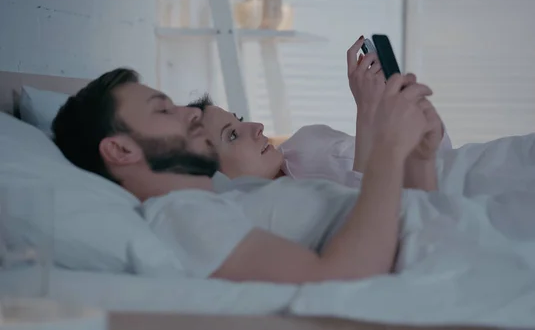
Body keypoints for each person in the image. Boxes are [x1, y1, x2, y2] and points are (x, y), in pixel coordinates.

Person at [51, 66, 440, 283]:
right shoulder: (181, 215)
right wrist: (389, 150)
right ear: (120, 149)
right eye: (163, 110)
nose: (189, 114)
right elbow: (340, 279)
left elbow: (415, 224)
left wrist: (421, 158)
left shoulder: (232, 198)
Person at [192, 36, 452, 191]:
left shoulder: (308, 140)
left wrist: (411, 110)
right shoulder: (274, 218)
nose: (257, 126)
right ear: (215, 179)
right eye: (233, 135)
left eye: (238, 120)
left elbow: (440, 158)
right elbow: (370, 221)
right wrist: (369, 111)